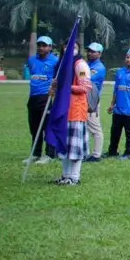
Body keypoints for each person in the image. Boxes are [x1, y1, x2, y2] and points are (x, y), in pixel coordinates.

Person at [53, 44, 93, 185]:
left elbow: (85, 87)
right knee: (65, 145)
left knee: (75, 147)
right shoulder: (63, 65)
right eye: (66, 46)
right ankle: (65, 175)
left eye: (73, 46)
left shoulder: (80, 65)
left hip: (75, 110)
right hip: (63, 110)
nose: (69, 49)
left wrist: (65, 87)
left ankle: (74, 177)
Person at [106, 48, 130, 160]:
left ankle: (128, 153)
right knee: (115, 131)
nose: (128, 59)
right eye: (127, 57)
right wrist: (112, 104)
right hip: (118, 109)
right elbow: (116, 89)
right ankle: (112, 151)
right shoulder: (120, 72)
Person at [26, 35, 60, 164]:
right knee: (34, 128)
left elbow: (59, 79)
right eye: (39, 45)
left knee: (48, 127)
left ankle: (50, 154)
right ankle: (35, 153)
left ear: (50, 47)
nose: (41, 48)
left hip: (46, 98)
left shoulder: (55, 61)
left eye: (44, 45)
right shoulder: (32, 60)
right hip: (33, 97)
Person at [82, 42, 107, 162]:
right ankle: (85, 152)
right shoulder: (88, 65)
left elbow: (84, 78)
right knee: (84, 127)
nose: (90, 53)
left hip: (91, 100)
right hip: (84, 98)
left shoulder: (98, 68)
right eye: (89, 51)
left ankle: (97, 155)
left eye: (93, 52)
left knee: (95, 127)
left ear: (99, 54)